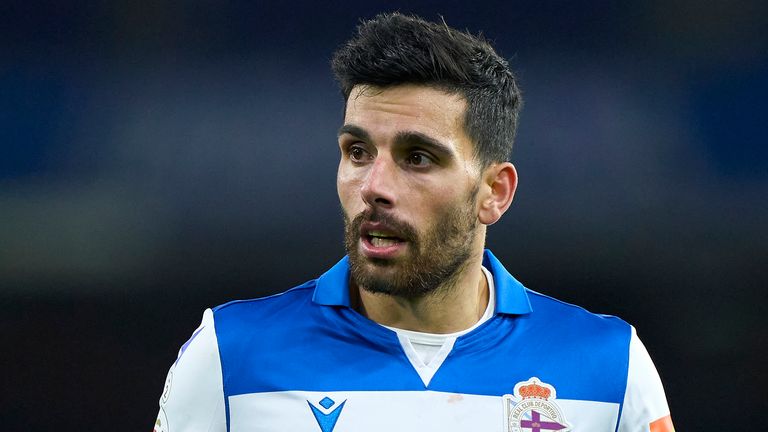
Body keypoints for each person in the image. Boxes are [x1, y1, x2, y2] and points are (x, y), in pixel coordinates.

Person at [153, 12, 674, 432]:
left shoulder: (609, 369)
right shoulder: (229, 356)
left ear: (494, 193)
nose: (374, 186)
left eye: (418, 158)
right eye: (357, 151)